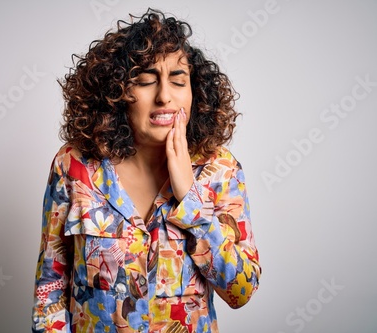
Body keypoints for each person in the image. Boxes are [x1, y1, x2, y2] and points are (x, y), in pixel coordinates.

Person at [32, 8, 261, 333]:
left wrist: (191, 199)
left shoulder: (220, 169)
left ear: (194, 91)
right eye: (145, 80)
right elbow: (50, 288)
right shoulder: (74, 165)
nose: (165, 96)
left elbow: (241, 290)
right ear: (117, 92)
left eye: (178, 81)